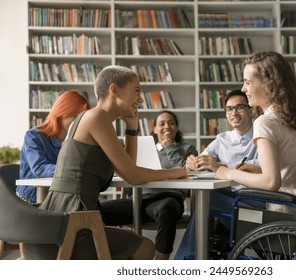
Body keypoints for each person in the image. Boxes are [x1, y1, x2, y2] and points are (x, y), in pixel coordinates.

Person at [22, 65, 188, 260]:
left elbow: (128, 166)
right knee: (144, 247)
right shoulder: (96, 117)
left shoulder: (93, 120)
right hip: (71, 223)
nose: (140, 99)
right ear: (114, 90)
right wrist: (174, 171)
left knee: (142, 233)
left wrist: (132, 128)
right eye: (137, 91)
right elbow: (133, 176)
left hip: (65, 218)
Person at [215, 51, 296, 215]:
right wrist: (257, 169)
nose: (243, 89)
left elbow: (271, 182)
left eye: (248, 82)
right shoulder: (289, 118)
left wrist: (229, 172)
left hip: (279, 210)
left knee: (209, 198)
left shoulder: (265, 122)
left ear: (268, 84)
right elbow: (290, 169)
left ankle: (188, 243)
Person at [100, 110, 198, 260]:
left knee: (167, 209)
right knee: (96, 212)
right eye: (162, 123)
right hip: (140, 198)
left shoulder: (188, 150)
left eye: (171, 123)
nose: (167, 126)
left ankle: (159, 265)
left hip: (168, 198)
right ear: (155, 129)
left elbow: (182, 170)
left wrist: (170, 148)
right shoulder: (143, 147)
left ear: (177, 128)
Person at [174, 89, 259, 260]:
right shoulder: (222, 139)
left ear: (251, 110)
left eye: (239, 107)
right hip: (231, 198)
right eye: (229, 109)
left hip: (254, 200)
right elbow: (202, 160)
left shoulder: (261, 134)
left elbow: (259, 166)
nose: (233, 113)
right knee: (206, 197)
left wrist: (218, 166)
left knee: (208, 200)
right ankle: (193, 257)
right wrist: (191, 164)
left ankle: (185, 260)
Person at [17, 90, 91, 204]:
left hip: (59, 197)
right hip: (32, 200)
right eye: (75, 116)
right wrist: (73, 169)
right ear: (62, 113)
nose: (79, 122)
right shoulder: (34, 136)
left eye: (82, 118)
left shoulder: (76, 139)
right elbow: (39, 169)